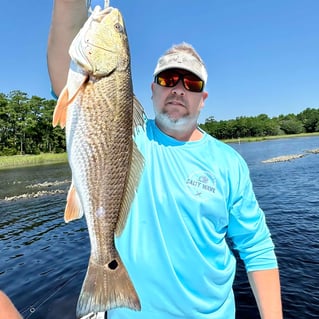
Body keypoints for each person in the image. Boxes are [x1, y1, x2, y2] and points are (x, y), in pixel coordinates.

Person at [47, 1, 283, 318]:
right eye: (168, 79)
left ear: (203, 99)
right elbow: (66, 43)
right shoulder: (127, 135)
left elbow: (256, 248)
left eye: (192, 83)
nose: (178, 89)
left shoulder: (229, 163)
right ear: (152, 90)